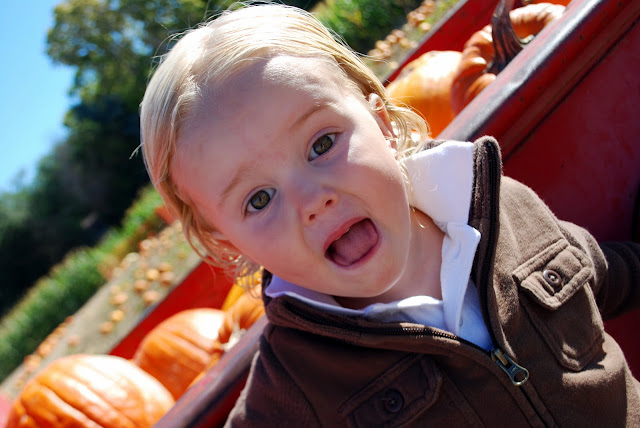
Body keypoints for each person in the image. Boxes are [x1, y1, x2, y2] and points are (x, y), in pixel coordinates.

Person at [139, 3, 640, 426]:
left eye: (322, 144)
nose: (313, 201)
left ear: (379, 117)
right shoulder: (295, 389)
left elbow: (606, 274)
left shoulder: (500, 208)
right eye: (259, 199)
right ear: (229, 243)